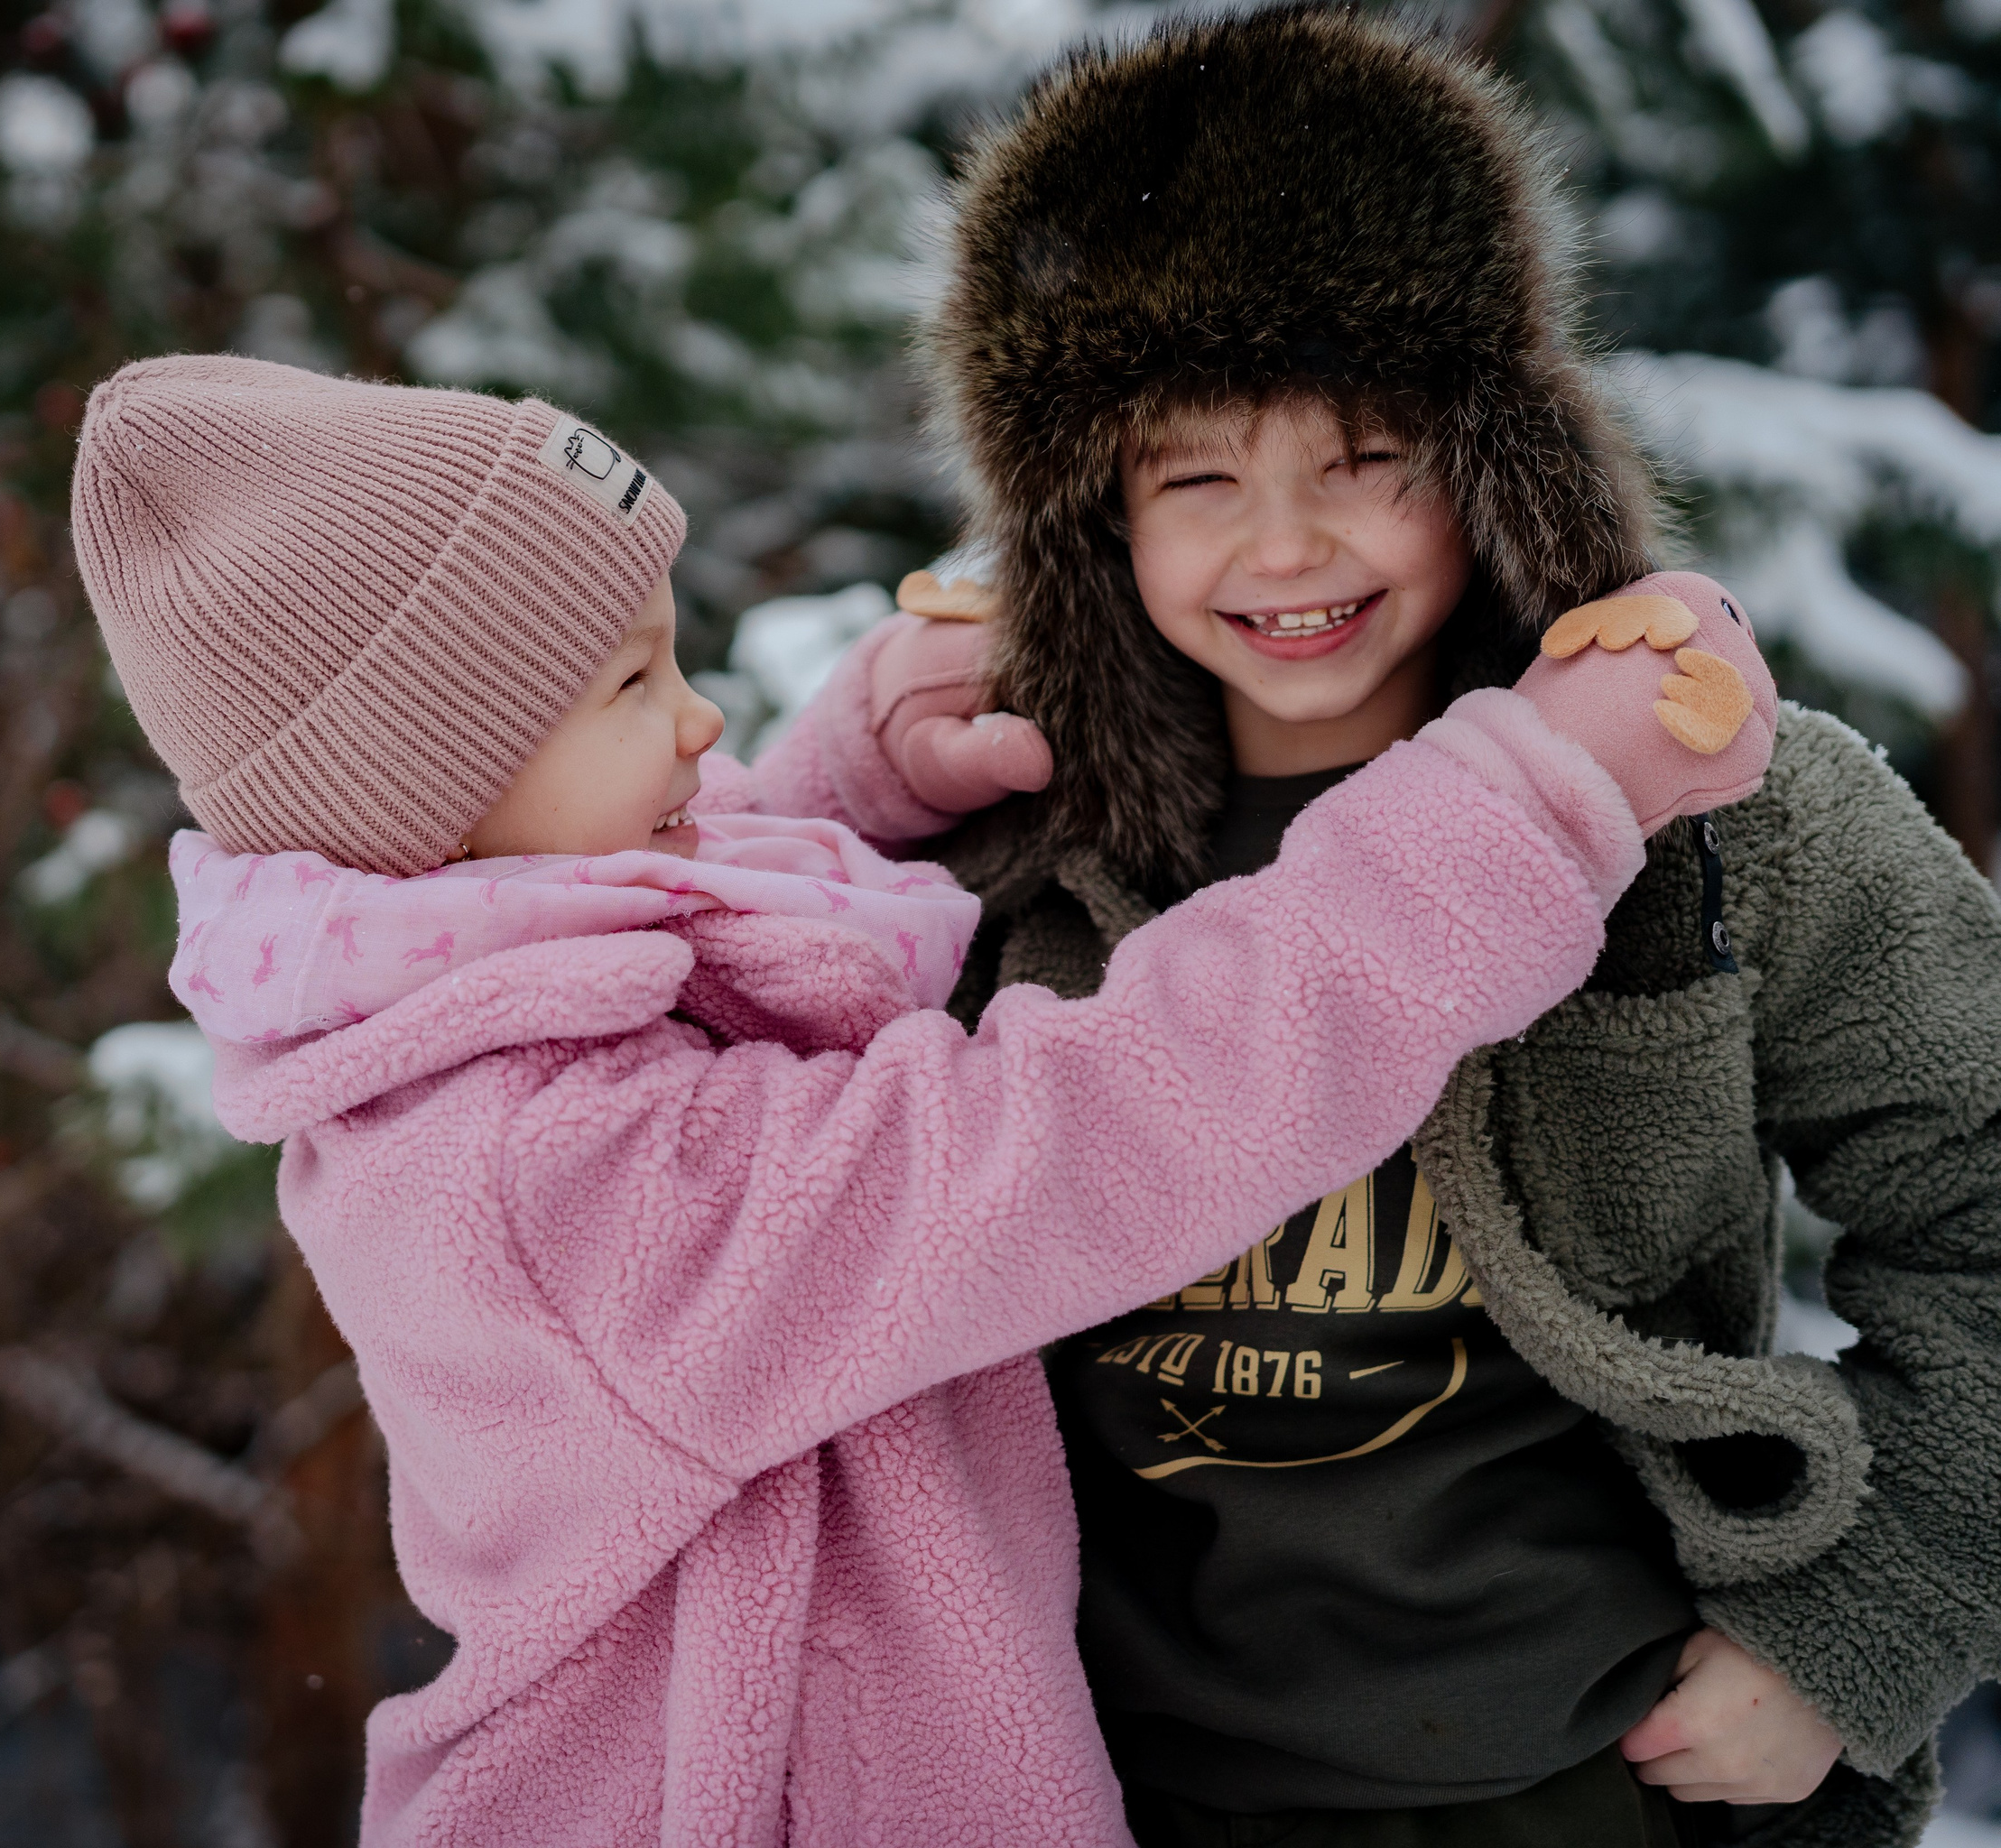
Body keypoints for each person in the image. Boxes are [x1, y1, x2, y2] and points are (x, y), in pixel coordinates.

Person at [69, 352, 1765, 1846]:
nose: (703, 718)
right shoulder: (534, 1175)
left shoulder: (465, 988)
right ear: (431, 790)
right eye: (632, 690)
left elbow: (630, 906)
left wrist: (847, 781)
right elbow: (1079, 1133)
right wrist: (1525, 811)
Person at [770, 10, 2001, 1847]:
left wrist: (1852, 1626)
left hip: (1596, 1794)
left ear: (1493, 453)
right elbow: (695, 1180)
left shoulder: (1707, 806)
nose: (1284, 550)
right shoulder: (986, 860)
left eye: (1363, 458)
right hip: (1101, 1794)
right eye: (1194, 478)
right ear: (1086, 516)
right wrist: (835, 767)